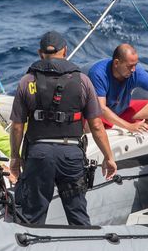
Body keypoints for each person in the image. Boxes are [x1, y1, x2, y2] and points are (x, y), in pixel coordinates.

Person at [9, 30, 117, 226]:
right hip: (71, 156)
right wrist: (109, 157)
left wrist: (15, 158)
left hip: (39, 156)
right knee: (78, 215)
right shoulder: (82, 81)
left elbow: (17, 127)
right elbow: (97, 126)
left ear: (40, 53)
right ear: (65, 51)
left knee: (31, 218)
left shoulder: (27, 81)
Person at [87, 44, 148, 132]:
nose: (133, 69)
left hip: (121, 111)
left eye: (135, 65)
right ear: (116, 63)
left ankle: (139, 132)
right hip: (100, 115)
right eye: (129, 66)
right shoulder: (98, 74)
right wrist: (129, 126)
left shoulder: (136, 72)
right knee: (93, 123)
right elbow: (101, 108)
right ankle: (127, 130)